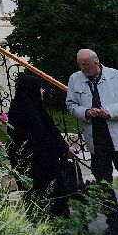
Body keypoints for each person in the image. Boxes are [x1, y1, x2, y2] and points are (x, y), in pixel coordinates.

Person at [66, 48, 118, 235]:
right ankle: (113, 221)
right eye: (80, 65)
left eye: (86, 65)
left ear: (96, 62)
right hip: (96, 140)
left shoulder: (116, 76)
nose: (83, 69)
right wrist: (86, 112)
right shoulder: (75, 79)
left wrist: (109, 111)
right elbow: (71, 105)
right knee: (103, 183)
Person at [6, 73, 75, 217]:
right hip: (39, 161)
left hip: (26, 159)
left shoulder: (20, 107)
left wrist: (62, 146)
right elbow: (43, 135)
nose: (42, 91)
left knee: (34, 193)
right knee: (49, 192)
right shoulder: (31, 111)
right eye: (40, 88)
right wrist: (63, 150)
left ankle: (38, 218)